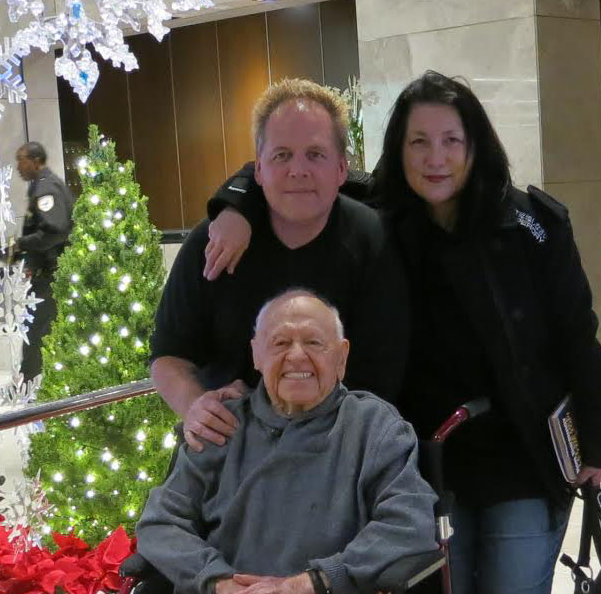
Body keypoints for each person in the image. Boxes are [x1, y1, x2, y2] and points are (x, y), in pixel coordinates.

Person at [205, 71, 601, 594]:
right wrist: (235, 204)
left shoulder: (529, 225)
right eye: (419, 142)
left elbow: (576, 336)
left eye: (452, 141)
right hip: (417, 464)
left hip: (521, 458)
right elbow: (295, 166)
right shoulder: (377, 214)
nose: (436, 158)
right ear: (398, 149)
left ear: (475, 146)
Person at [150, 79, 410, 452]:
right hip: (229, 448)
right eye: (282, 155)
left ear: (341, 169)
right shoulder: (212, 241)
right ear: (257, 170)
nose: (298, 170)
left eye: (315, 155)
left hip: (342, 451)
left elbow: (383, 376)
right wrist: (196, 406)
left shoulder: (374, 241)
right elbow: (169, 356)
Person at [137, 289, 438, 594]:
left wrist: (310, 583)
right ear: (256, 354)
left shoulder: (374, 427)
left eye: (314, 342)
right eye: (280, 343)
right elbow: (160, 523)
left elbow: (409, 524)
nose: (296, 356)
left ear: (341, 357)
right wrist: (219, 581)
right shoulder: (221, 425)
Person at [0, 141, 73, 382]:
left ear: (36, 161)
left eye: (21, 160)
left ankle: (27, 386)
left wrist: (19, 244)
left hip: (51, 275)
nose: (18, 167)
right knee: (40, 331)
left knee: (36, 333)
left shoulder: (46, 189)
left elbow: (55, 231)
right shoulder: (42, 187)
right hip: (49, 273)